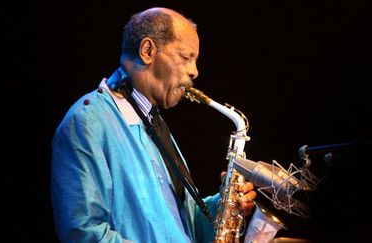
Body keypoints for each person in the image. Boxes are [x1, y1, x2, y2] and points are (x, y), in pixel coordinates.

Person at [50, 7, 257, 243]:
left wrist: (223, 208)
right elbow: (82, 233)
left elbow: (182, 226)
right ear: (147, 50)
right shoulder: (88, 121)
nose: (195, 72)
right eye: (185, 57)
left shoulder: (153, 122)